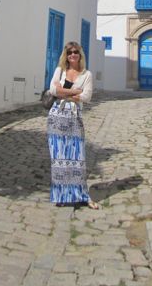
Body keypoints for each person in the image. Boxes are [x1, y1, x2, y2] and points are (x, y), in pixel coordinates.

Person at [47, 41, 99, 209]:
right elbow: (53, 91)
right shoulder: (60, 70)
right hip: (56, 116)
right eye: (69, 52)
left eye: (75, 52)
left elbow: (87, 97)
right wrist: (75, 91)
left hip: (74, 117)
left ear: (80, 54)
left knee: (77, 157)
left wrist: (64, 92)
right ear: (66, 55)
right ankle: (61, 195)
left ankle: (81, 195)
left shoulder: (86, 74)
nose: (73, 55)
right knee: (58, 157)